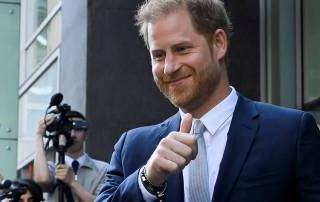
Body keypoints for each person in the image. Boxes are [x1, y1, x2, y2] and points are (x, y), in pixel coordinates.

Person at [95, 0, 320, 202]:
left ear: (219, 43)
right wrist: (147, 181)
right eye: (159, 55)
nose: (169, 67)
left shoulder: (290, 133)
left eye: (182, 49)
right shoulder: (133, 147)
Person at [34, 110, 109, 202]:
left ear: (86, 135)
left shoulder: (103, 169)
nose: (72, 134)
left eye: (78, 128)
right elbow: (42, 180)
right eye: (68, 128)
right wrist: (39, 135)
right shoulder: (52, 168)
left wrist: (72, 182)